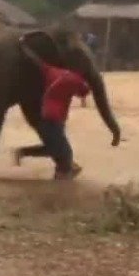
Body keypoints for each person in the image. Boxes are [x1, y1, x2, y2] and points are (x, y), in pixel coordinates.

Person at [12, 33, 91, 180]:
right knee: (64, 152)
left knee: (53, 148)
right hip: (56, 119)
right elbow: (85, 92)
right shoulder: (77, 81)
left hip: (46, 116)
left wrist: (23, 45)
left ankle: (23, 153)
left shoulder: (53, 72)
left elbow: (35, 60)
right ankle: (61, 177)